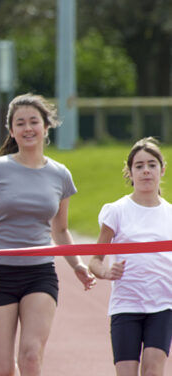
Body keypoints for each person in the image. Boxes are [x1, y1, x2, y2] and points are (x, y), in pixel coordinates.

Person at [0, 93, 97, 376]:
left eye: (34, 122)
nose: (28, 128)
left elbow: (60, 230)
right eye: (20, 123)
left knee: (30, 357)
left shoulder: (60, 175)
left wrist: (78, 265)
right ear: (11, 130)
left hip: (40, 273)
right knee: (1, 368)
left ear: (46, 127)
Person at [88, 137, 172, 376]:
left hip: (163, 305)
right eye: (139, 166)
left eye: (152, 165)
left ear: (162, 170)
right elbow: (95, 261)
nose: (146, 171)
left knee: (153, 372)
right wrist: (106, 273)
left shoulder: (170, 214)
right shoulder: (117, 211)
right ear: (130, 172)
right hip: (127, 305)